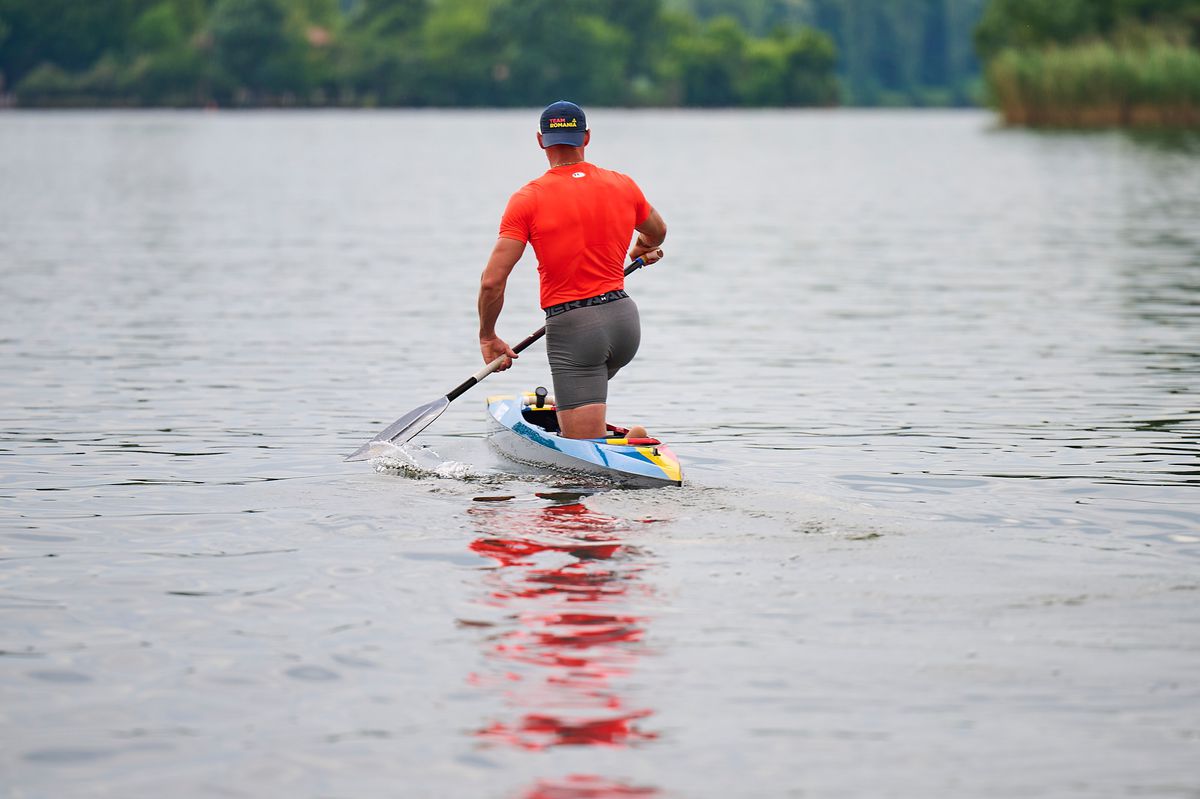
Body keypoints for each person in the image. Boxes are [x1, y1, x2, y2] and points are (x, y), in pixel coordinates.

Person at [477, 100, 667, 440]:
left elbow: (493, 282)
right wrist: (639, 250)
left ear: (540, 140)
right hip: (624, 322)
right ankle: (580, 413)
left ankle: (612, 442)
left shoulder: (527, 199)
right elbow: (657, 232)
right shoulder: (622, 184)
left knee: (583, 453)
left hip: (575, 329)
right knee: (580, 392)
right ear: (587, 137)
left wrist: (488, 336)